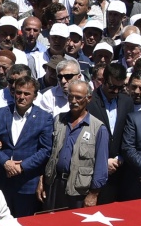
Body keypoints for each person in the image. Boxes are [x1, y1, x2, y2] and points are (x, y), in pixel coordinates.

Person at [0, 77, 53, 217]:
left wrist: (21, 166)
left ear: (35, 96)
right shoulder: (0, 113)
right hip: (1, 181)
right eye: (18, 92)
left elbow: (45, 150)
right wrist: (5, 162)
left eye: (27, 94)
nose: (22, 97)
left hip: (26, 183)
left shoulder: (44, 118)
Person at [39, 79, 108, 210]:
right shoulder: (58, 120)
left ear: (88, 99)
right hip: (54, 184)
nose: (73, 101)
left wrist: (93, 194)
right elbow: (47, 153)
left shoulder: (98, 128)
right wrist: (42, 180)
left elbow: (101, 166)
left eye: (78, 97)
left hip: (78, 190)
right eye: (70, 96)